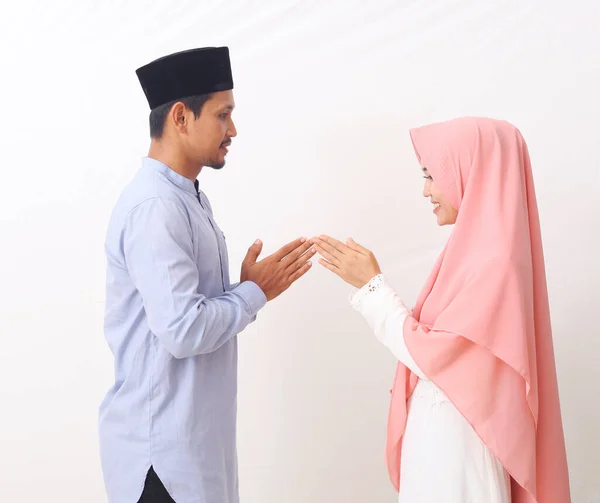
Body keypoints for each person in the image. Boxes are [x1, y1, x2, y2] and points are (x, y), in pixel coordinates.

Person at [311, 117, 571, 502]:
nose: (426, 190)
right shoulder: (470, 255)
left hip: (459, 456)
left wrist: (373, 288)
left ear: (473, 171)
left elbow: (438, 357)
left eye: (432, 175)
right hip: (443, 447)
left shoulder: (496, 264)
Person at [99, 47, 315, 503]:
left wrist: (245, 290)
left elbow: (187, 313)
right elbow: (183, 330)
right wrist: (255, 293)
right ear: (180, 116)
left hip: (193, 453)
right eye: (223, 115)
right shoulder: (156, 208)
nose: (232, 130)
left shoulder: (186, 198)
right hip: (162, 461)